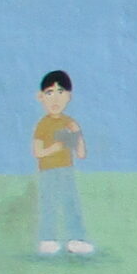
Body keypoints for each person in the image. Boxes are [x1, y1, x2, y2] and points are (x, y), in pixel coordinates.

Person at [31, 69, 93, 256]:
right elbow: (37, 152)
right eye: (50, 92)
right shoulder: (43, 124)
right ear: (41, 97)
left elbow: (81, 153)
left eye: (61, 92)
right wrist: (55, 148)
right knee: (49, 204)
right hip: (48, 171)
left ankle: (76, 239)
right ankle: (48, 239)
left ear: (69, 96)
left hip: (66, 170)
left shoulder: (70, 123)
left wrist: (77, 134)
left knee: (70, 203)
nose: (55, 98)